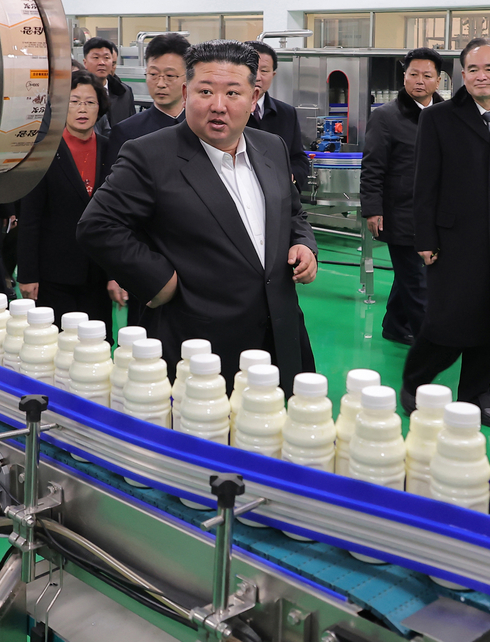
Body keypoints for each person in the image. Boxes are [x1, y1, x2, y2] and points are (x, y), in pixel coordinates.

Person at [78, 40, 319, 392]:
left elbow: (292, 210)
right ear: (187, 92)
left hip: (280, 333)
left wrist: (304, 244)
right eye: (205, 91)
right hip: (199, 342)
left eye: (233, 93)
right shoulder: (150, 154)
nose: (218, 106)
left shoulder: (271, 147)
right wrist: (160, 281)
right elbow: (97, 226)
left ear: (253, 99)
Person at [403, 37, 490, 428]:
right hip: (454, 239)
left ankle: (475, 396)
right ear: (462, 75)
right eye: (472, 69)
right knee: (446, 323)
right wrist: (426, 239)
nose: (481, 76)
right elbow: (425, 185)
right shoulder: (438, 118)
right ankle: (414, 383)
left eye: (489, 68)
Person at [15, 71, 125, 334]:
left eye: (90, 102)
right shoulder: (43, 152)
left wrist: (116, 272)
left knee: (97, 342)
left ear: (101, 107)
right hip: (54, 274)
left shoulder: (113, 150)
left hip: (97, 273)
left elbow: (119, 218)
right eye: (74, 102)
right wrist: (28, 274)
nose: (82, 109)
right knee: (58, 343)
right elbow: (30, 218)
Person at [361, 47, 446, 346]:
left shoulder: (447, 116)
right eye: (413, 75)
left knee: (408, 275)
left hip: (436, 212)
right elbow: (372, 165)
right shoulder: (386, 117)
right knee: (418, 280)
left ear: (439, 80)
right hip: (400, 212)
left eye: (427, 75)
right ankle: (431, 341)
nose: (419, 81)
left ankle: (395, 325)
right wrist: (372, 208)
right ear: (404, 77)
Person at [104, 33, 190, 165]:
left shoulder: (201, 128)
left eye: (170, 75)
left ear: (188, 77)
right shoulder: (126, 132)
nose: (160, 83)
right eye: (153, 74)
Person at [246, 41, 310, 192]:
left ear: (273, 74)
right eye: (252, 69)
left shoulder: (287, 113)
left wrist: (291, 176)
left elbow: (298, 158)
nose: (258, 77)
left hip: (278, 197)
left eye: (264, 71)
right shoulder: (225, 110)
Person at [82, 37, 135, 130]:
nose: (102, 63)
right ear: (85, 63)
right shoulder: (75, 93)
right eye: (96, 58)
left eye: (106, 58)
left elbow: (133, 126)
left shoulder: (124, 92)